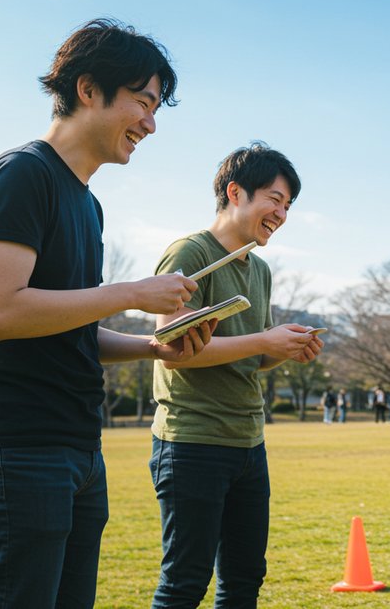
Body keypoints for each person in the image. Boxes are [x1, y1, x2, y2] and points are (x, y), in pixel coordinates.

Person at [0, 18, 214, 608]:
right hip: (15, 447)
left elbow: (69, 326)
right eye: (143, 102)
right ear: (88, 89)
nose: (150, 124)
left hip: (78, 448)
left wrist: (153, 347)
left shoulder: (89, 205)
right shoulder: (22, 174)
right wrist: (131, 293)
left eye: (156, 109)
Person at [149, 143, 323, 607]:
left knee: (245, 579)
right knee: (185, 583)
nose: (281, 214)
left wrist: (284, 348)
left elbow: (252, 357)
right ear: (234, 192)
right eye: (274, 199)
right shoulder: (190, 252)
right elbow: (171, 349)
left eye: (288, 206)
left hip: (248, 443)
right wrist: (264, 341)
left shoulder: (260, 269)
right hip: (192, 442)